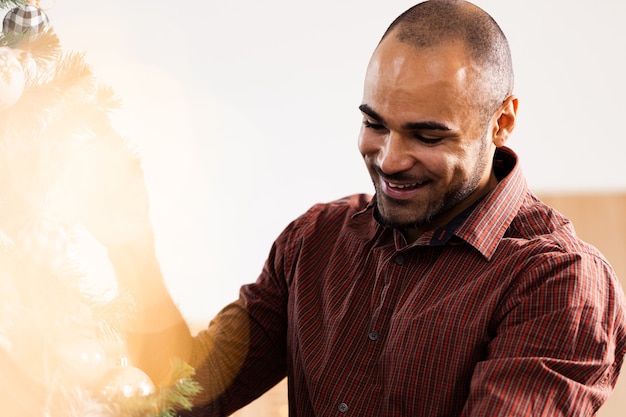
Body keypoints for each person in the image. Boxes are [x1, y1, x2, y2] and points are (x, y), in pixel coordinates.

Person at [97, 0, 626, 415]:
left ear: (502, 121)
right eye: (375, 124)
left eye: (426, 135)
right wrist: (130, 240)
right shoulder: (314, 240)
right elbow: (181, 392)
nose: (389, 160)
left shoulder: (558, 280)